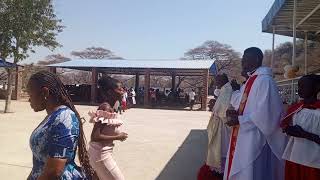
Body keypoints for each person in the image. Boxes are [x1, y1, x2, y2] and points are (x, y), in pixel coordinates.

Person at [224, 47, 287, 180]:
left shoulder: (265, 81)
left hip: (255, 136)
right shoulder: (252, 79)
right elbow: (244, 103)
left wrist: (240, 120)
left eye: (246, 58)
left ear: (257, 59)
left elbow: (267, 114)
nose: (242, 61)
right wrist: (236, 112)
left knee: (251, 171)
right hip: (244, 133)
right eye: (242, 58)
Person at [27, 71, 94, 180]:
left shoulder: (64, 118)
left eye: (30, 94)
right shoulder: (52, 116)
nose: (29, 99)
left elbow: (54, 172)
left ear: (44, 92)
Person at [280, 74, 320, 180]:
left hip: (314, 162)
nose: (299, 89)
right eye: (299, 86)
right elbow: (285, 126)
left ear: (316, 88)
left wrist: (304, 134)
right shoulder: (297, 109)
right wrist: (288, 130)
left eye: (303, 86)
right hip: (294, 157)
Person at [88, 76, 128, 180]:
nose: (123, 91)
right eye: (120, 89)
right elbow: (95, 136)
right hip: (100, 155)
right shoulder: (105, 107)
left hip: (103, 153)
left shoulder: (112, 107)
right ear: (110, 92)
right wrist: (118, 137)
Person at [198, 74, 233, 180]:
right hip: (219, 125)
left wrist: (214, 107)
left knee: (222, 151)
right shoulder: (223, 89)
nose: (216, 82)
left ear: (223, 80)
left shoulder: (227, 90)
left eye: (217, 80)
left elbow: (224, 109)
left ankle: (221, 174)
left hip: (223, 128)